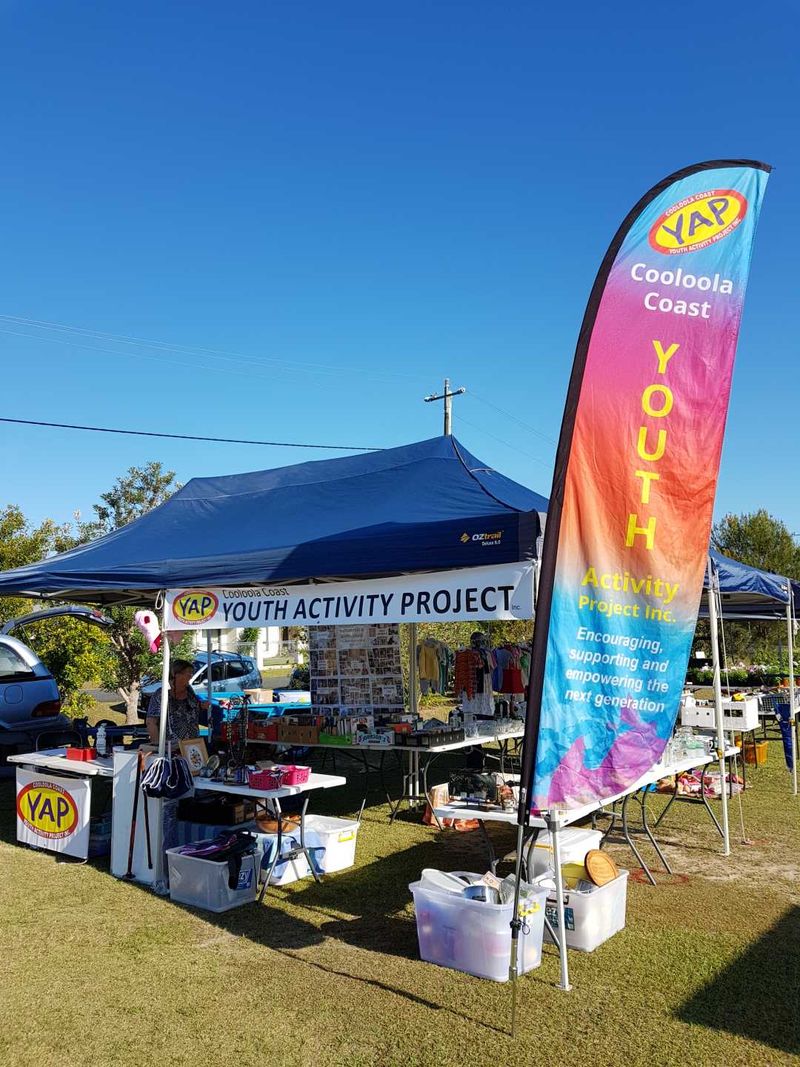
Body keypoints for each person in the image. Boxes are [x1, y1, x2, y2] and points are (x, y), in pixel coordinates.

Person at [146, 658, 209, 745]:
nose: (191, 676)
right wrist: (157, 745)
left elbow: (192, 709)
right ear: (177, 674)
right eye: (188, 673)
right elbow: (151, 722)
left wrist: (202, 706)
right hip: (170, 746)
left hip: (191, 745)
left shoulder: (189, 691)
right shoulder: (162, 694)